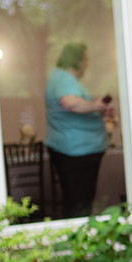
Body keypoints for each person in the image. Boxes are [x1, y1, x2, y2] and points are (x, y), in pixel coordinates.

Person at [44, 41, 115, 220]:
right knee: (79, 204)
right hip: (76, 151)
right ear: (77, 60)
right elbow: (70, 102)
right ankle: (78, 242)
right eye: (86, 59)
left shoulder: (60, 78)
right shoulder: (62, 78)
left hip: (76, 149)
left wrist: (99, 110)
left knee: (77, 202)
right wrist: (97, 107)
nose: (87, 64)